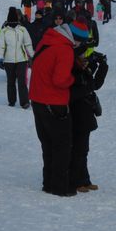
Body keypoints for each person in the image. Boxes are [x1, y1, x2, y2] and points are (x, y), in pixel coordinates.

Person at [29, 12, 76, 196]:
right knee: (62, 145)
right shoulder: (64, 49)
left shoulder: (45, 42)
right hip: (54, 103)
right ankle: (60, 186)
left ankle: (48, 183)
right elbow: (60, 79)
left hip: (37, 100)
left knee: (47, 144)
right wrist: (72, 79)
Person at [69, 15, 107, 193]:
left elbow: (94, 85)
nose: (85, 52)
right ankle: (77, 180)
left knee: (83, 148)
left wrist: (102, 67)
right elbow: (81, 87)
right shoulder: (71, 61)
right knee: (78, 147)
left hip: (84, 111)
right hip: (76, 111)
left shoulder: (80, 62)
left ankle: (84, 179)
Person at [0, 7, 34, 109]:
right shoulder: (4, 31)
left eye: (14, 21)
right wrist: (0, 58)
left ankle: (24, 102)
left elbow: (28, 44)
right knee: (11, 81)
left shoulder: (22, 30)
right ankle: (12, 100)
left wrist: (32, 56)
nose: (13, 23)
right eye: (11, 21)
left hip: (21, 60)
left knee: (22, 82)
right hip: (8, 60)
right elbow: (1, 46)